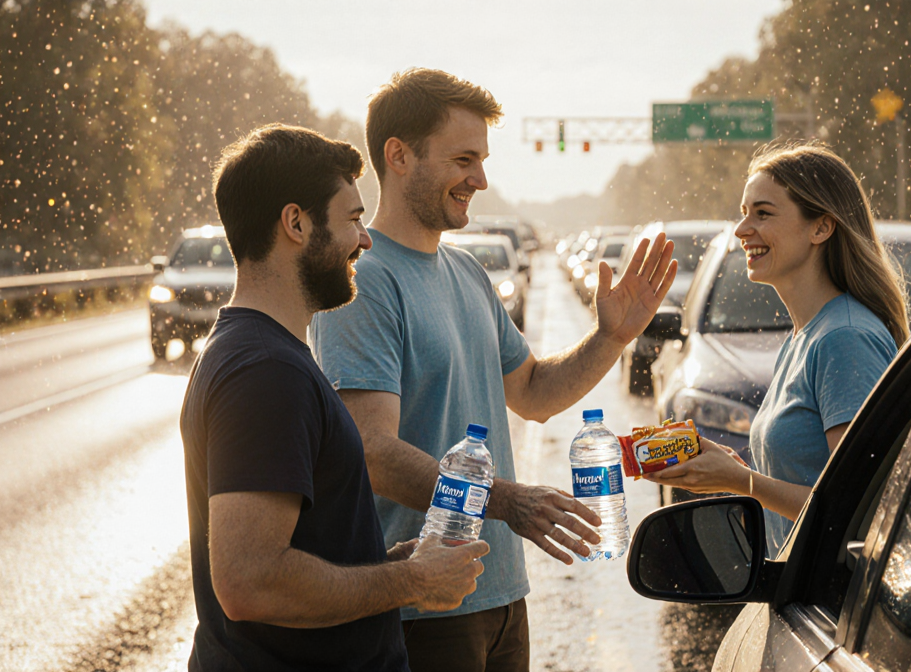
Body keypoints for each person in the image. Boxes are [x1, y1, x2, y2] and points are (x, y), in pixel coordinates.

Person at [309, 68, 677, 672]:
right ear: (398, 156)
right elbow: (371, 452)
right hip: (423, 605)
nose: (479, 179)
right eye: (462, 159)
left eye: (481, 160)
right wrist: (506, 501)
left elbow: (533, 393)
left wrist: (612, 337)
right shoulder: (366, 282)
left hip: (502, 594)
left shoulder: (468, 274)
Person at [180, 124, 489, 671]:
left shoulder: (261, 352)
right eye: (351, 219)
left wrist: (379, 563)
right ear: (296, 223)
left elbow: (295, 547)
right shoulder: (265, 371)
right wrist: (410, 580)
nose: (365, 239)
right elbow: (249, 581)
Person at [647, 142, 909, 554]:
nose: (741, 229)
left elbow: (860, 513)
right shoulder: (804, 335)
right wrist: (733, 469)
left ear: (821, 228)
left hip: (834, 607)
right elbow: (812, 479)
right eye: (744, 212)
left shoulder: (845, 339)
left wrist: (741, 482)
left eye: (763, 213)